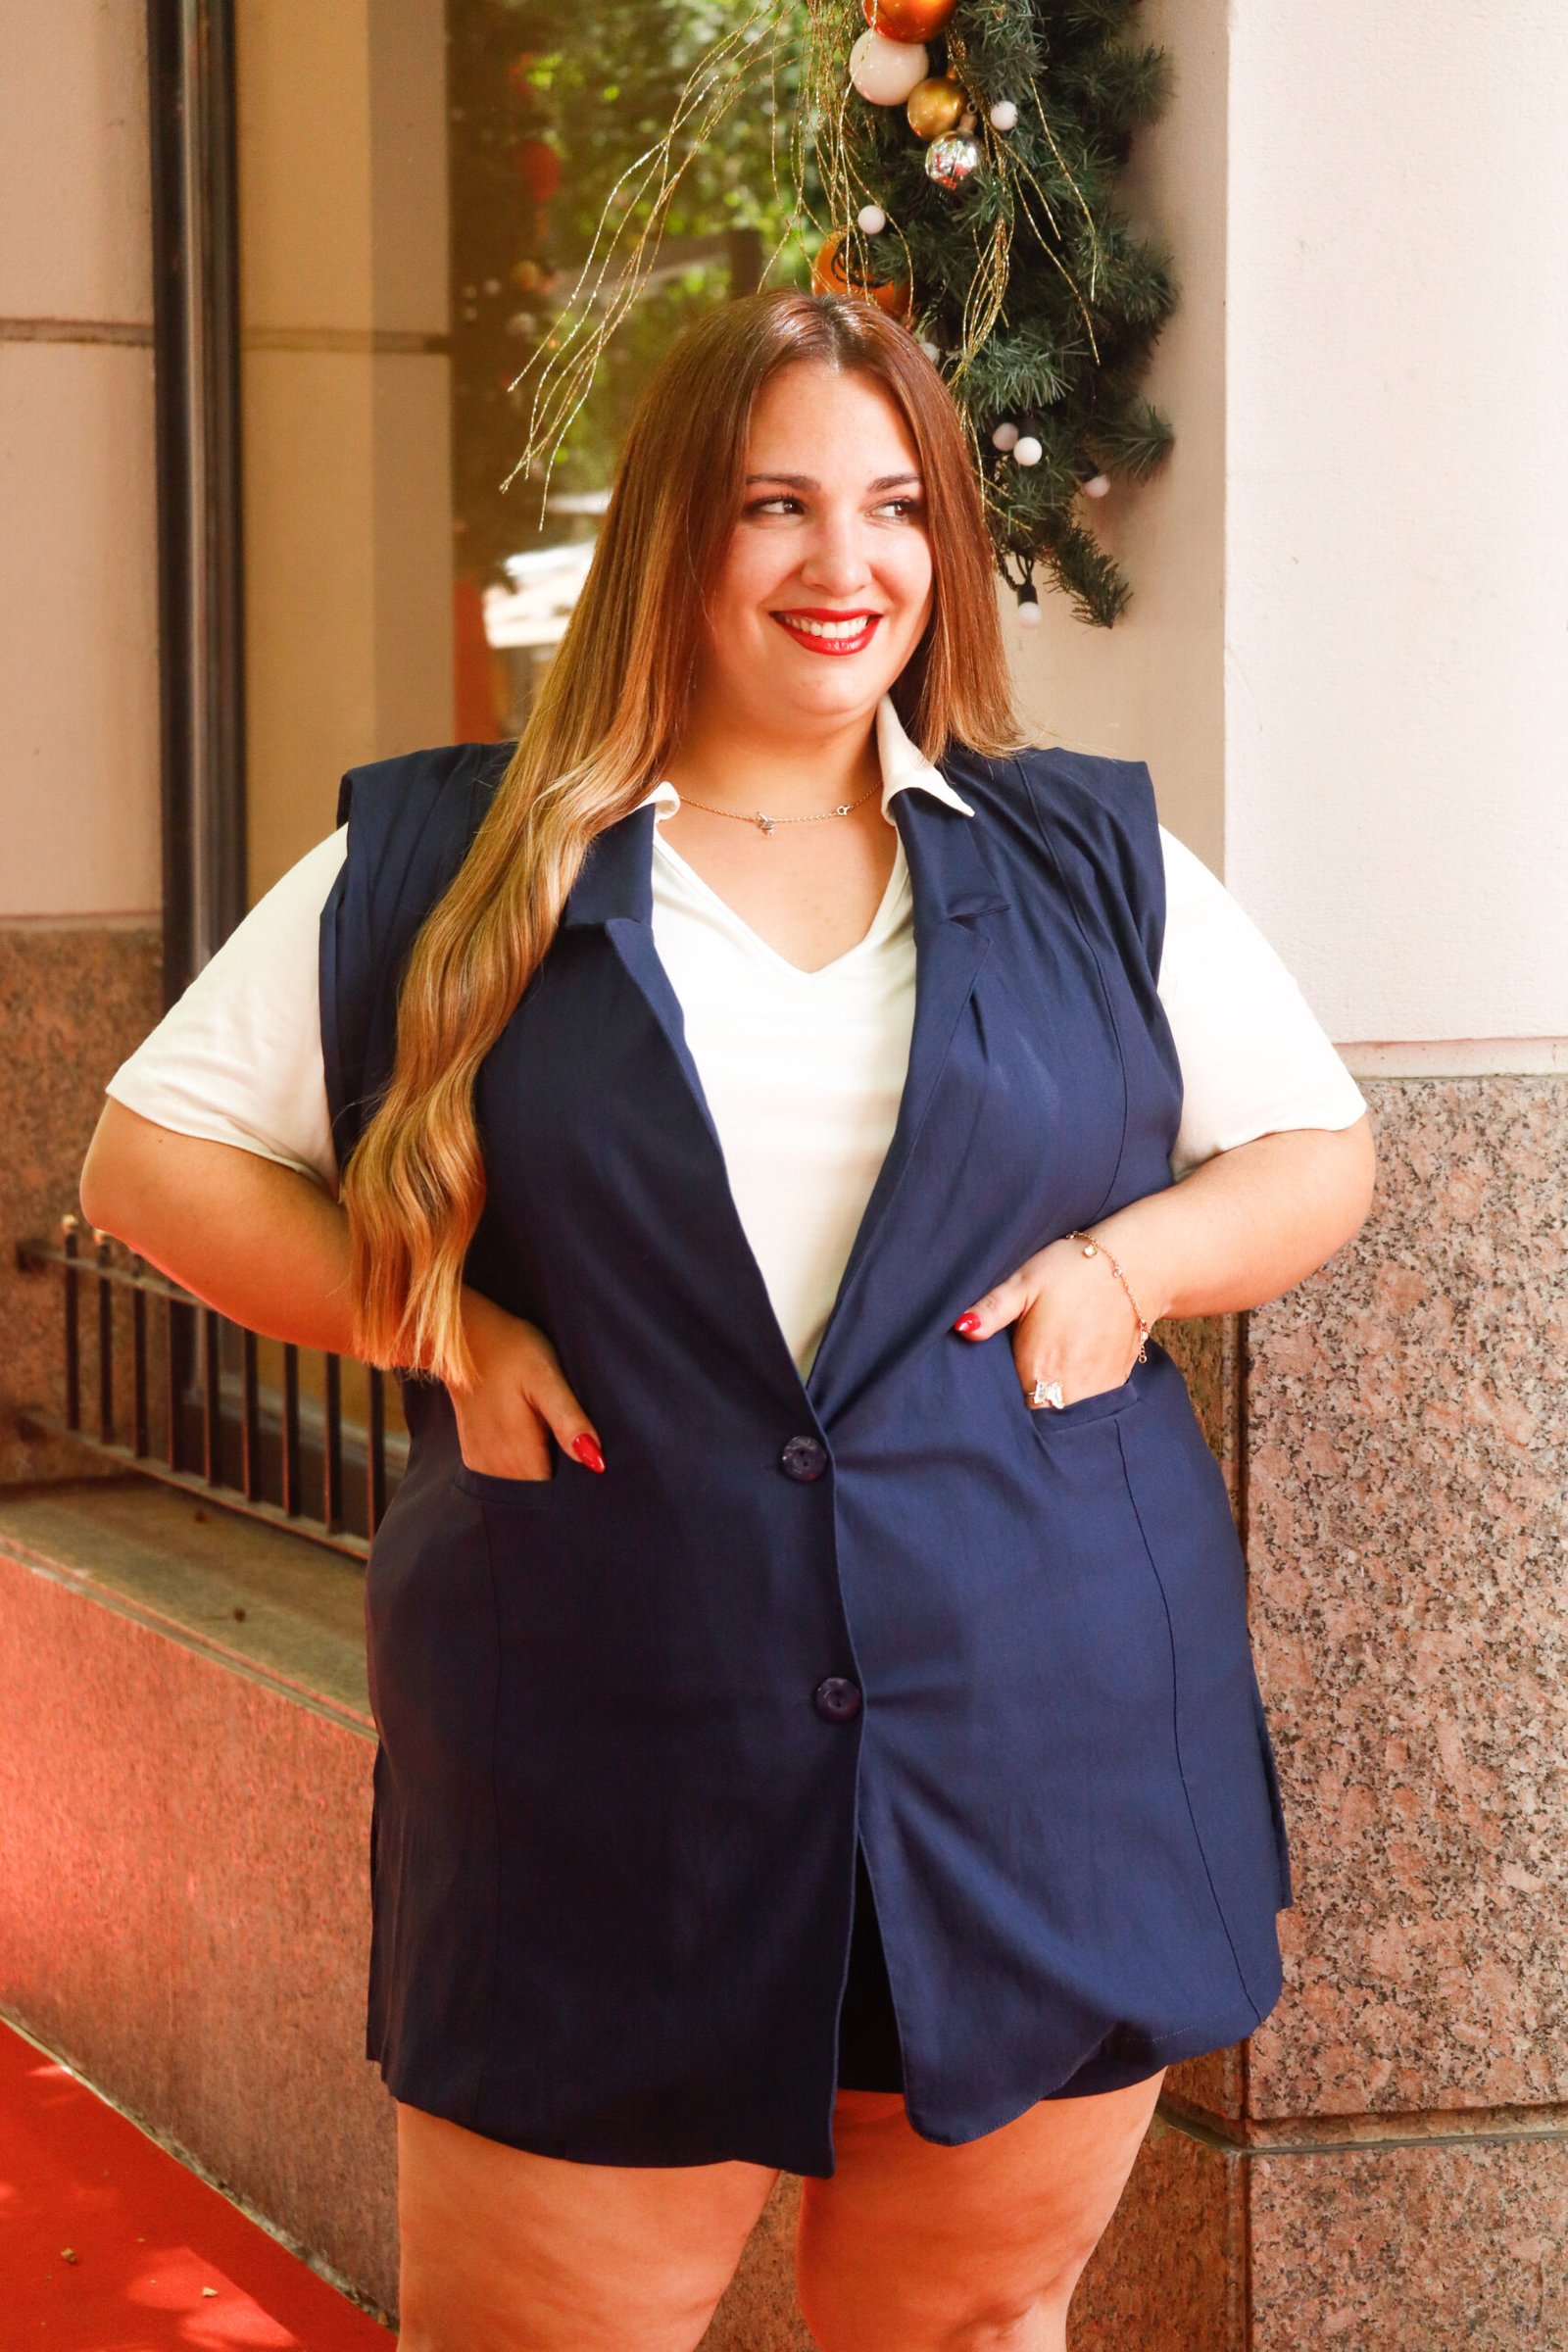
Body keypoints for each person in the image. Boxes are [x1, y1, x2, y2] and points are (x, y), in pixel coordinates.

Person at [80, 288, 1376, 2352]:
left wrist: (1129, 1270)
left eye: (894, 507)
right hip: (609, 1768)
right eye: (776, 504)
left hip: (1041, 1755)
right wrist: (428, 1323)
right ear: (673, 533)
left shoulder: (1082, 853)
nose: (842, 562)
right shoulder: (449, 853)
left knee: (970, 2325)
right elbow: (151, 1164)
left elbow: (1314, 1150)